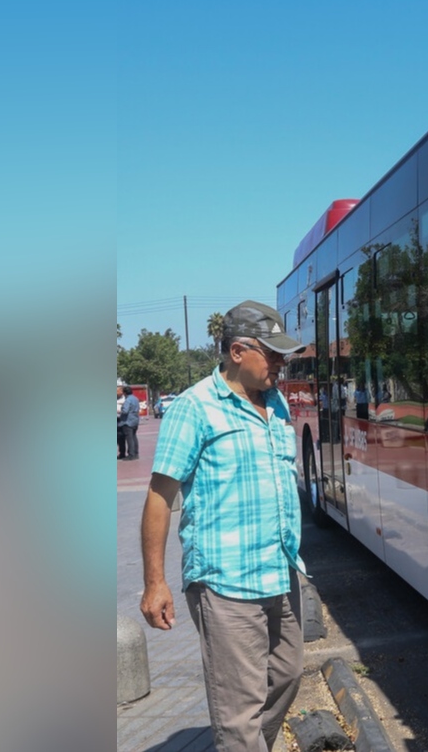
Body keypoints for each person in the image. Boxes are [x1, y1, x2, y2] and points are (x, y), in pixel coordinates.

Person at [139, 300, 309, 752]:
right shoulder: (194, 408)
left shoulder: (275, 402)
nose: (281, 364)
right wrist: (154, 582)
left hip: (279, 570)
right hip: (225, 582)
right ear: (237, 351)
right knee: (239, 712)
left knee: (288, 674)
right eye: (272, 354)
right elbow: (159, 497)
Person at [118, 385, 141, 460]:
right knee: (134, 437)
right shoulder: (135, 399)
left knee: (129, 438)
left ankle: (131, 454)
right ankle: (135, 453)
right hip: (135, 420)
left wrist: (119, 410)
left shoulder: (128, 400)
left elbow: (125, 411)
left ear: (125, 393)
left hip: (128, 421)